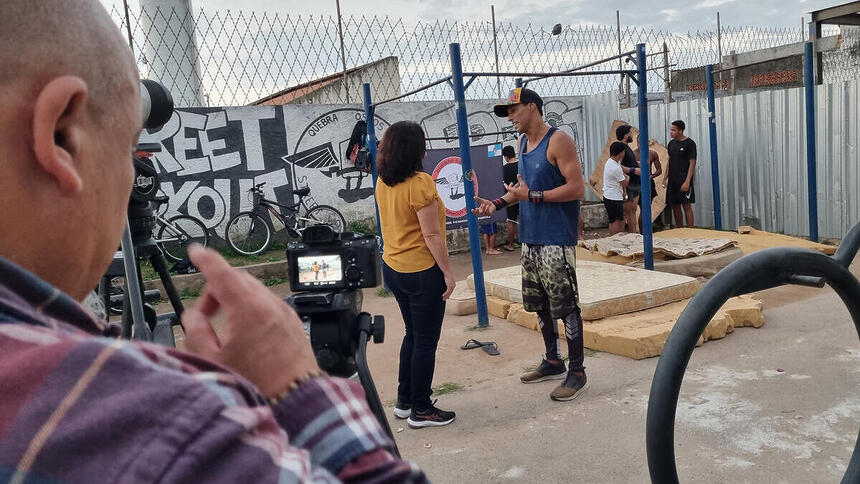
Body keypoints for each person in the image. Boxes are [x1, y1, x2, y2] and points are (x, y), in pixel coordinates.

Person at [0, 1, 425, 482]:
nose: (131, 178)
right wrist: (300, 386)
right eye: (125, 148)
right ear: (60, 135)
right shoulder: (154, 427)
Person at [475, 87, 588, 402]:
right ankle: (553, 360)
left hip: (555, 238)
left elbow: (576, 188)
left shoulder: (559, 140)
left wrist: (532, 197)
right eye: (507, 113)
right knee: (540, 304)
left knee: (566, 307)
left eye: (513, 111)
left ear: (532, 107)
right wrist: (495, 203)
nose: (510, 118)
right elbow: (520, 191)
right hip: (531, 236)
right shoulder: (523, 143)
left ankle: (577, 372)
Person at [374, 121, 457, 428]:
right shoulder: (420, 183)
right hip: (421, 272)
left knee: (413, 334)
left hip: (394, 268)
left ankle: (405, 400)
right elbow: (432, 236)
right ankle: (421, 409)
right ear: (416, 148)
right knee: (425, 341)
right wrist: (448, 273)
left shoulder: (383, 181)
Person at [663, 120, 697, 228]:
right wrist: (665, 178)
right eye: (671, 130)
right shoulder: (671, 144)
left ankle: (690, 231)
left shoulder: (690, 144)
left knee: (686, 205)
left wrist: (687, 182)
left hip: (683, 179)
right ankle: (679, 230)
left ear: (681, 131)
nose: (671, 132)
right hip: (673, 180)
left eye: (673, 130)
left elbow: (692, 163)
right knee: (674, 205)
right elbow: (669, 161)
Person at [615, 125, 642, 234]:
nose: (632, 135)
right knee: (629, 212)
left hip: (634, 184)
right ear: (626, 134)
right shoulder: (620, 148)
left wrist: (636, 165)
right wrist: (633, 170)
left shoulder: (627, 147)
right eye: (630, 133)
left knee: (633, 211)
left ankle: (634, 234)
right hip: (628, 185)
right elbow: (617, 166)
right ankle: (632, 237)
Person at [603, 142, 630, 235]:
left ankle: (612, 239)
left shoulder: (611, 161)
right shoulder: (615, 168)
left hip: (608, 195)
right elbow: (625, 183)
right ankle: (616, 239)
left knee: (612, 220)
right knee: (617, 221)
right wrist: (628, 177)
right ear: (621, 153)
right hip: (614, 197)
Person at [635, 146, 662, 233]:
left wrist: (652, 176)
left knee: (645, 208)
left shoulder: (652, 154)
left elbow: (659, 169)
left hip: (648, 183)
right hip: (637, 184)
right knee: (639, 208)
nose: (640, 144)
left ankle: (645, 232)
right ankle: (642, 233)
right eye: (639, 141)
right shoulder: (632, 154)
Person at [502, 145, 520, 251]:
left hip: (510, 199)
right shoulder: (521, 166)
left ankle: (510, 245)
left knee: (511, 222)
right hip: (523, 196)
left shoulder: (504, 169)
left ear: (506, 157)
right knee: (526, 220)